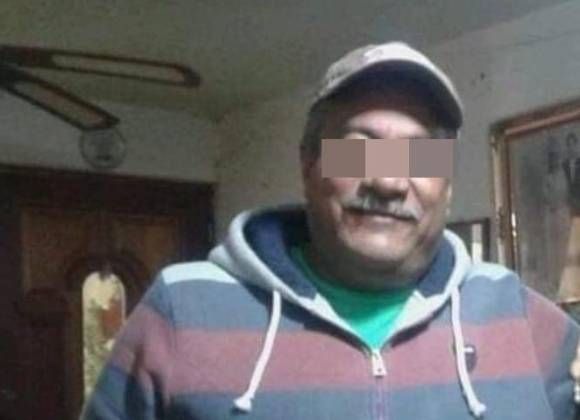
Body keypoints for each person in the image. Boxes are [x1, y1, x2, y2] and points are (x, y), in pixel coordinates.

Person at [82, 42, 580, 419]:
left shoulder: (524, 320)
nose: (387, 181)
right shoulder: (180, 311)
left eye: (419, 156)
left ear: (446, 184)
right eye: (357, 148)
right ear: (309, 164)